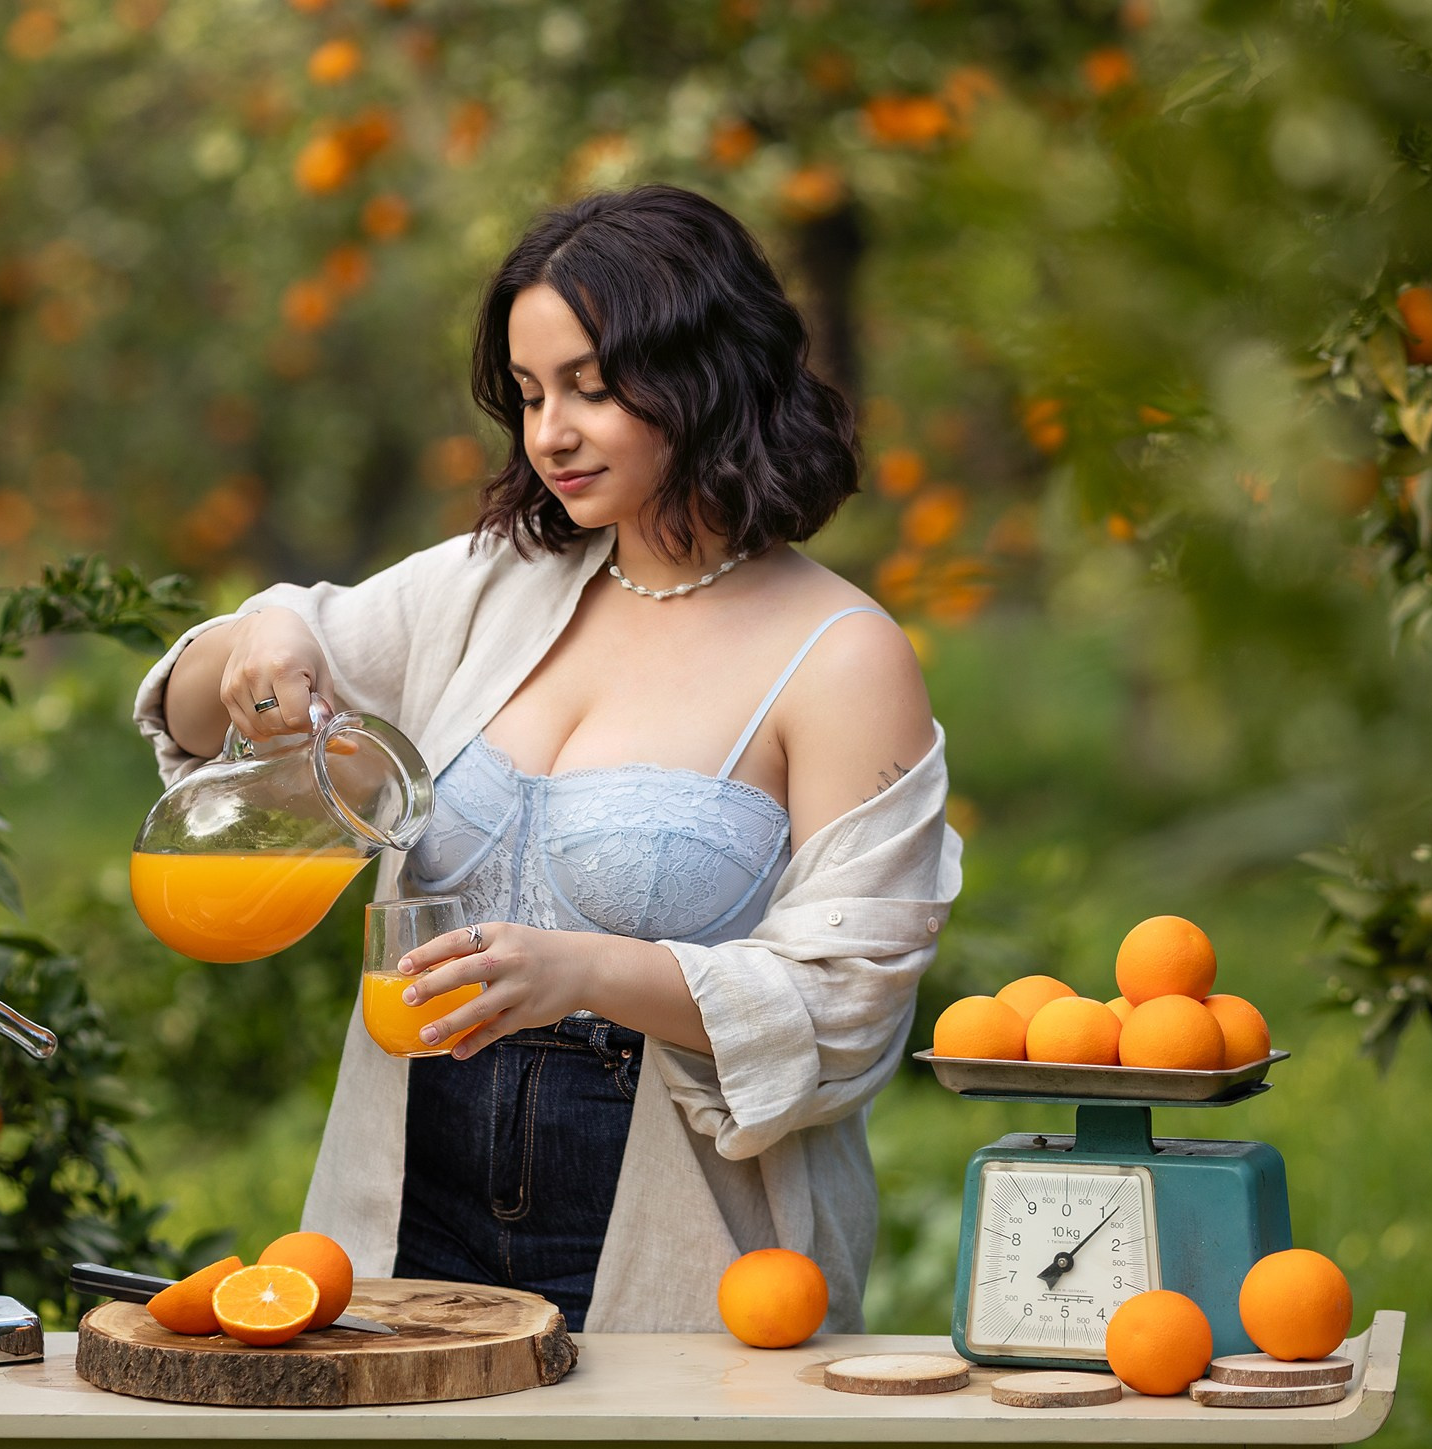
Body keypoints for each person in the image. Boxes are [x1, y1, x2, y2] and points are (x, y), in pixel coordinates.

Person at [137, 183, 961, 1332]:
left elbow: (849, 1004)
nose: (549, 434)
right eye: (527, 395)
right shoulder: (491, 582)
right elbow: (204, 705)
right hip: (403, 1215)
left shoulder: (839, 656)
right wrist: (253, 642)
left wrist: (581, 972)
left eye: (590, 386)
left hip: (672, 1236)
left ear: (706, 371)